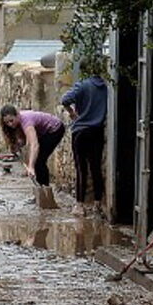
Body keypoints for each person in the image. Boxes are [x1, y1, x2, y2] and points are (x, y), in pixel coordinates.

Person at [62, 70, 108, 216]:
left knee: (81, 169)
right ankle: (97, 204)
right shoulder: (106, 87)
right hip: (97, 131)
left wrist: (71, 112)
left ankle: (79, 205)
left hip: (81, 131)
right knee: (96, 168)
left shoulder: (82, 84)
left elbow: (65, 99)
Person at [0, 105, 66, 190]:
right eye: (7, 122)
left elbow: (34, 145)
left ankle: (45, 190)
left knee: (39, 161)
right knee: (36, 160)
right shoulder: (18, 123)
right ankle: (39, 190)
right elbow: (26, 143)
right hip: (43, 132)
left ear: (17, 115)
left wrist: (31, 166)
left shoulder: (27, 121)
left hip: (55, 129)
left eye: (11, 121)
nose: (10, 124)